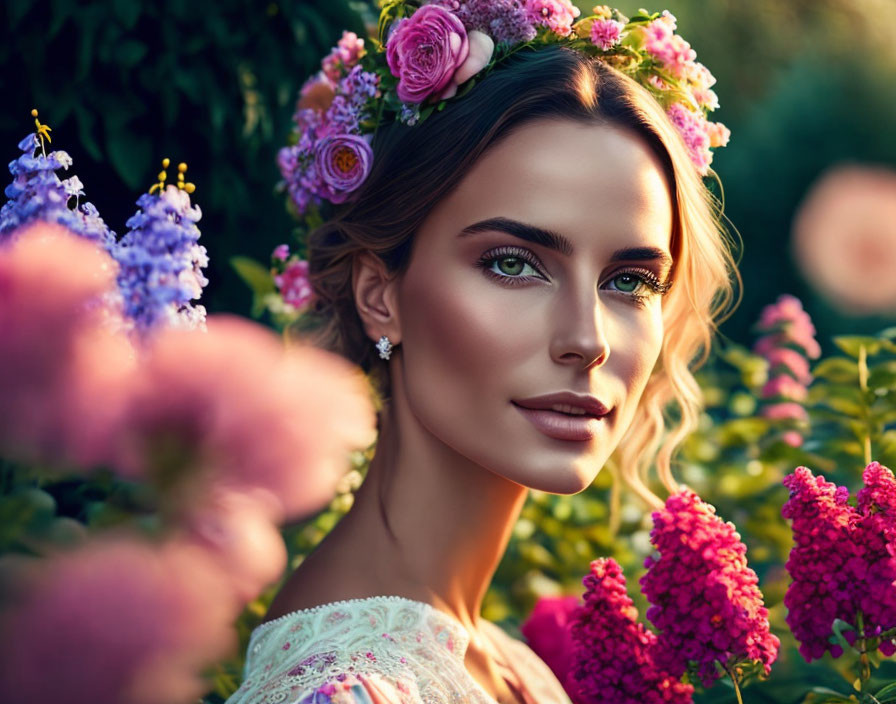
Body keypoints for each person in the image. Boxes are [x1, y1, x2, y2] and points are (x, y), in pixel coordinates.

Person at [227, 3, 737, 703]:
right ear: (381, 295)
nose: (586, 339)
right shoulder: (347, 694)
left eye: (630, 280)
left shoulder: (508, 665)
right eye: (512, 264)